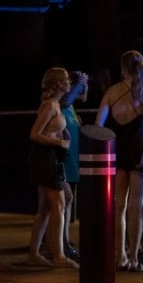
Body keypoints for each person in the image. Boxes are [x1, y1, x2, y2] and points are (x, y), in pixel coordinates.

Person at [95, 51, 143, 271]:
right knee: (135, 207)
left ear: (123, 69)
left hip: (119, 152)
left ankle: (118, 255)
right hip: (140, 150)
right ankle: (133, 259)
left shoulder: (112, 92)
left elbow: (98, 125)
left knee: (118, 206)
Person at [27, 68, 74, 267]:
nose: (69, 82)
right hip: (45, 158)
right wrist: (58, 143)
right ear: (58, 85)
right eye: (66, 80)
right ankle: (59, 255)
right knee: (59, 203)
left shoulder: (56, 105)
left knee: (47, 207)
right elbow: (35, 134)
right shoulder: (49, 106)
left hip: (52, 158)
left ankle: (34, 252)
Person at [54, 70, 88, 260]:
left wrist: (84, 83)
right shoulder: (60, 104)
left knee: (68, 200)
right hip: (64, 159)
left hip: (72, 158)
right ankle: (60, 243)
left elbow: (82, 97)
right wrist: (79, 82)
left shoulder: (71, 105)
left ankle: (63, 241)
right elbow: (66, 100)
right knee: (63, 201)